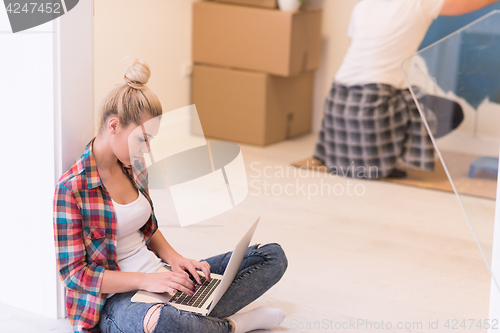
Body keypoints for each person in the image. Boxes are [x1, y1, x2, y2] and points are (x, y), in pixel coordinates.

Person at [53, 59, 288, 333]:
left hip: (161, 275)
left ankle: (195, 320)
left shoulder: (134, 166)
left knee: (271, 257)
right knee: (166, 322)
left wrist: (176, 261)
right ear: (114, 126)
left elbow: (147, 229)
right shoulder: (71, 189)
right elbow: (75, 276)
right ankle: (232, 326)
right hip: (117, 302)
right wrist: (145, 281)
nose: (147, 149)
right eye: (143, 139)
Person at [313, 0, 499, 179]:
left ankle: (378, 152)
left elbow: (352, 45)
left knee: (409, 96)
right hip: (371, 107)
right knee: (452, 113)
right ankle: (387, 153)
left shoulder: (363, 5)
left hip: (337, 104)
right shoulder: (418, 3)